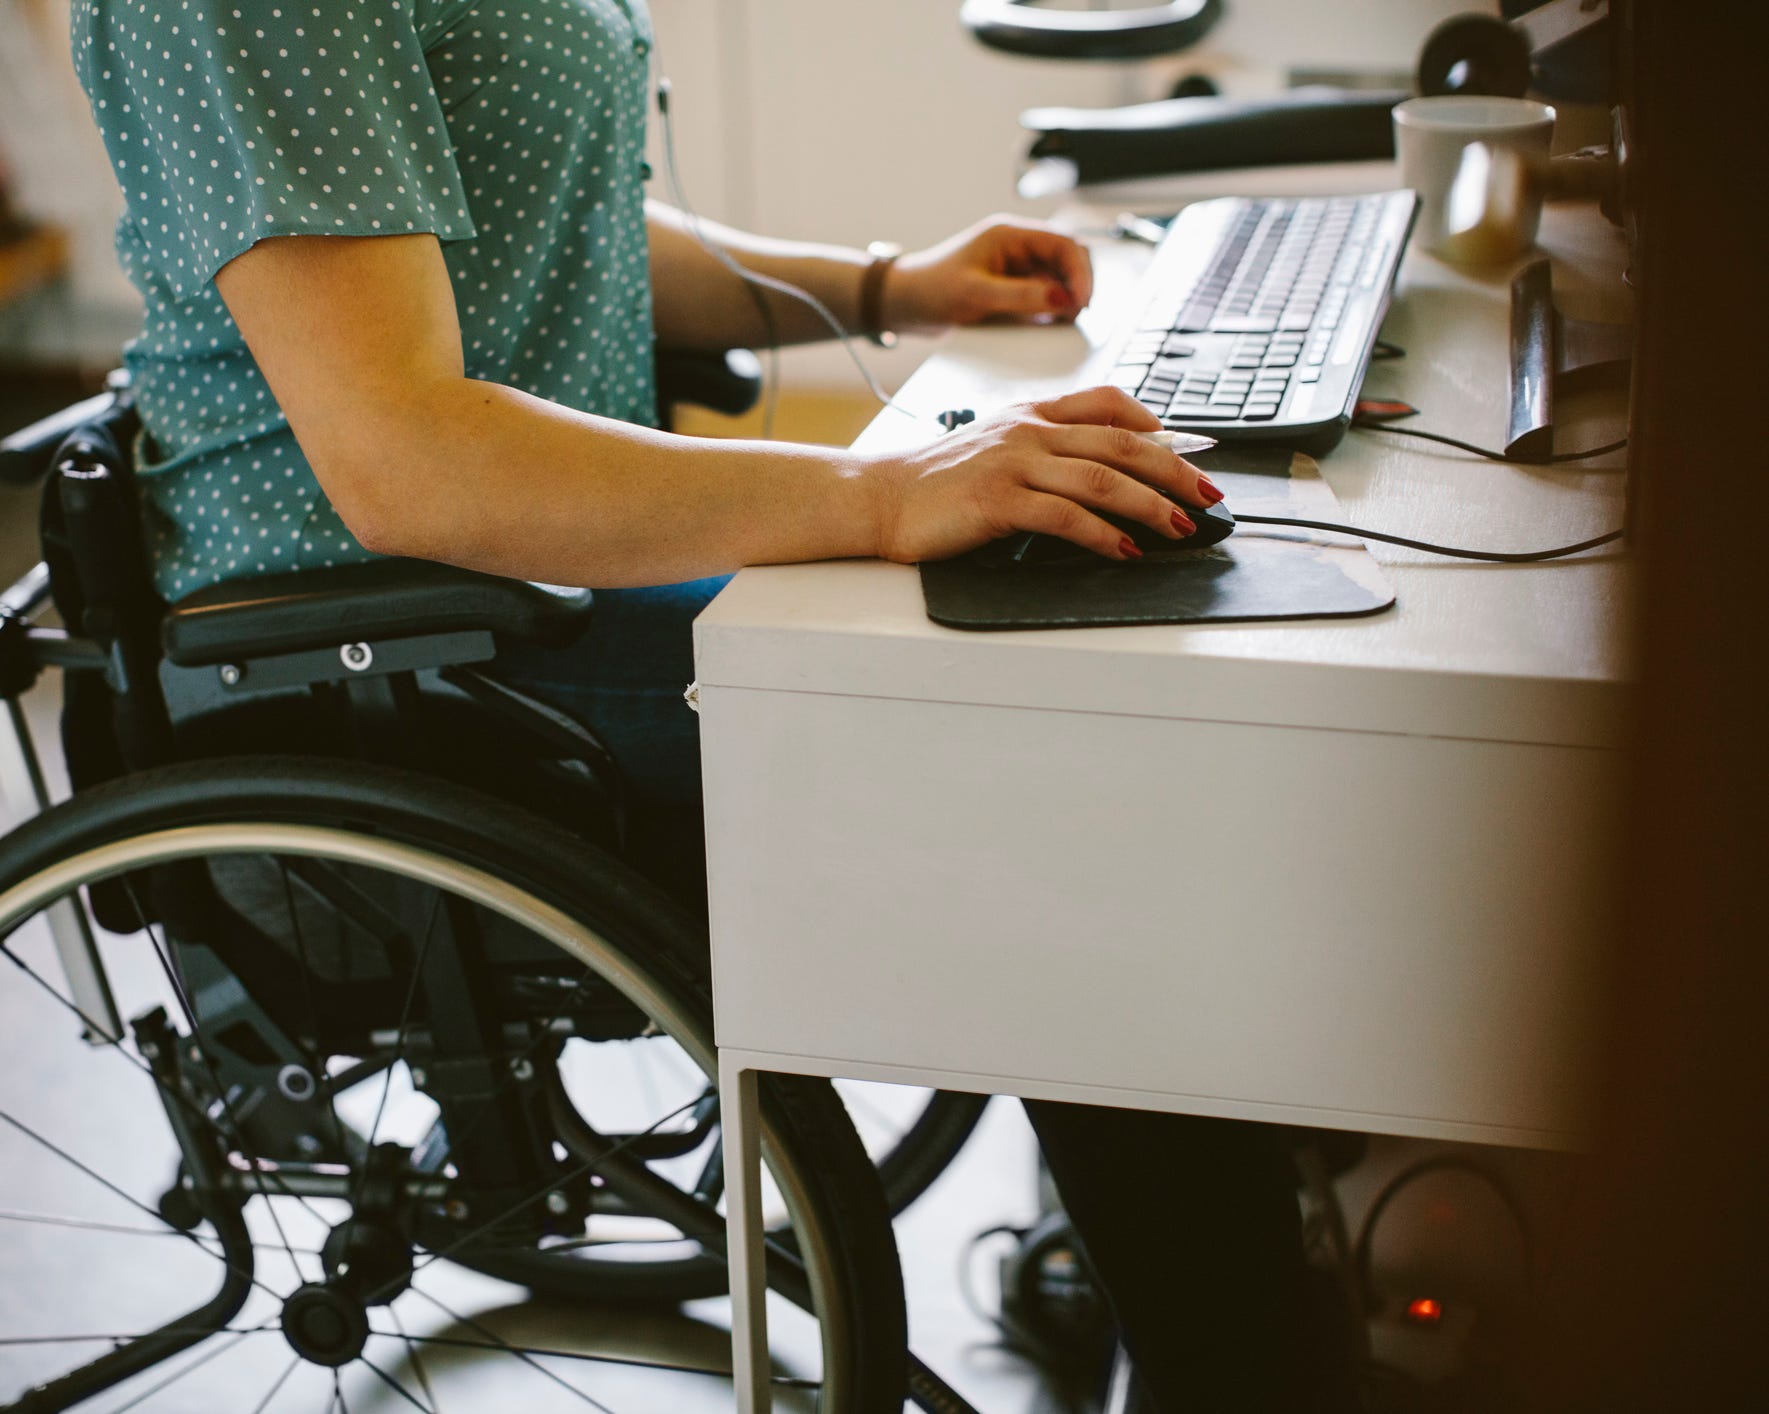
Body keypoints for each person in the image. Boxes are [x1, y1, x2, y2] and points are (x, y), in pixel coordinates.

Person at [68, 2, 1355, 1409]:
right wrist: (878, 493)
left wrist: (886, 287)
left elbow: (544, 229)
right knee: (1045, 769)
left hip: (531, 579)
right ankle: (1243, 1360)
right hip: (380, 640)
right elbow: (401, 461)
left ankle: (1200, 1264)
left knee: (1072, 689)